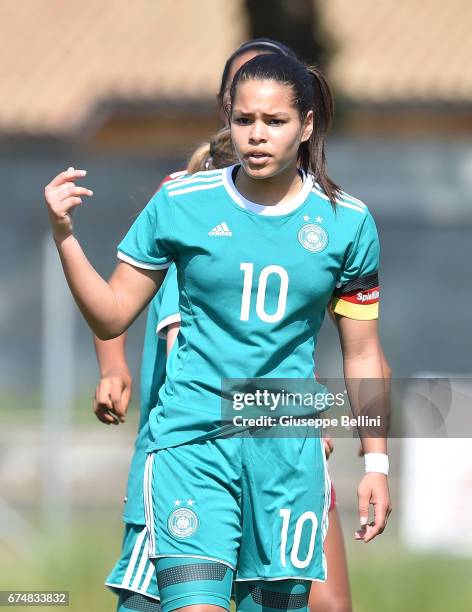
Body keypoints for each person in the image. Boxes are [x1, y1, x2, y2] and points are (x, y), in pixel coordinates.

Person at [45, 53, 392, 612]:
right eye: (244, 120)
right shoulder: (182, 202)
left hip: (286, 452)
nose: (257, 135)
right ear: (227, 119)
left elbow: (365, 354)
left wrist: (375, 462)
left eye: (274, 122)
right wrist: (64, 236)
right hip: (192, 442)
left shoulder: (347, 223)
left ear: (305, 127)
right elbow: (111, 315)